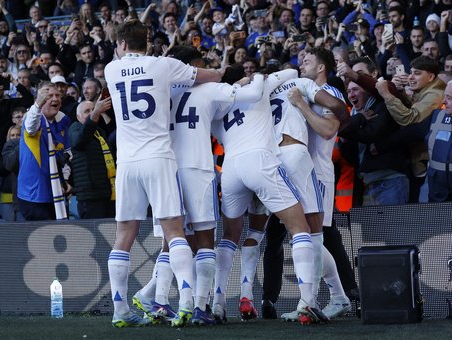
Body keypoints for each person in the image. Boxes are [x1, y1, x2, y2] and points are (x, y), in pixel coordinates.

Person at [104, 20, 223, 328]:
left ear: (122, 45)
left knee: (123, 237)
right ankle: (185, 303)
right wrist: (216, 72)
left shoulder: (111, 69)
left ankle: (119, 310)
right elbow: (209, 75)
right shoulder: (164, 65)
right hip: (159, 158)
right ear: (148, 42)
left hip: (127, 162)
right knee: (175, 232)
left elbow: (129, 62)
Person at [211, 67, 328, 325]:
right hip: (260, 161)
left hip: (230, 168)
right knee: (300, 227)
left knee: (231, 236)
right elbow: (291, 71)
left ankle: (219, 303)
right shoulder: (259, 86)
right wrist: (254, 78)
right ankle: (308, 301)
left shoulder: (216, 104)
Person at [262, 65, 350, 319]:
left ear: (321, 66)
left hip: (313, 168)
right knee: (307, 236)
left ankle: (321, 299)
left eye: (308, 57)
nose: (302, 61)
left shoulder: (320, 90)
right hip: (296, 162)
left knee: (310, 236)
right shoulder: (294, 88)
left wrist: (302, 104)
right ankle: (327, 298)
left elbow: (331, 126)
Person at [371, 78, 452, 202]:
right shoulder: (437, 116)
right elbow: (410, 133)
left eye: (449, 97)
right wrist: (381, 146)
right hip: (437, 195)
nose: (444, 101)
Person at [17, 82, 72, 221]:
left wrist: (64, 180)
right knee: (41, 240)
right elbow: (30, 126)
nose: (55, 99)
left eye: (58, 95)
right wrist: (37, 105)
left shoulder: (63, 121)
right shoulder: (34, 118)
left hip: (56, 192)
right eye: (49, 95)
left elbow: (66, 154)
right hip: (34, 195)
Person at [69, 98, 115, 219]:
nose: (91, 113)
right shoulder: (74, 128)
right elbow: (79, 140)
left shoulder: (99, 132)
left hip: (106, 193)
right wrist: (94, 115)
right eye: (87, 111)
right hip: (89, 196)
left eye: (93, 110)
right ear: (78, 117)